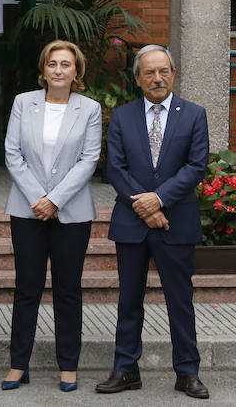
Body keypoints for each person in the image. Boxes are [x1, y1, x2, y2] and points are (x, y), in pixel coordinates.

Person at [95, 44, 210, 399]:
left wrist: (159, 199)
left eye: (163, 71)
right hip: (132, 222)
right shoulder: (123, 116)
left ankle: (187, 372)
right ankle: (126, 369)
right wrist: (144, 205)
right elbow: (115, 167)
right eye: (149, 72)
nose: (157, 78)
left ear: (173, 74)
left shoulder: (193, 114)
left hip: (176, 220)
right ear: (137, 78)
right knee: (129, 299)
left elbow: (196, 165)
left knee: (180, 300)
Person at [2, 40, 102, 392]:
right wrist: (38, 198)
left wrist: (55, 200)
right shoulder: (22, 103)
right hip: (27, 211)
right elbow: (12, 153)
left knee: (68, 290)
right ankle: (18, 365)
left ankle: (69, 365)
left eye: (66, 65)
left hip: (71, 213)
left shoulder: (89, 108)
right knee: (26, 289)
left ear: (77, 72)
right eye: (52, 64)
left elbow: (88, 160)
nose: (59, 70)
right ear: (43, 70)